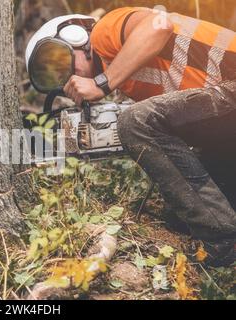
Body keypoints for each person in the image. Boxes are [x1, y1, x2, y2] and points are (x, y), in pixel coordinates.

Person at [25, 7, 236, 266]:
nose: (67, 81)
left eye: (61, 64)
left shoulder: (104, 32)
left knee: (135, 120)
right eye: (56, 78)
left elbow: (160, 25)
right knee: (178, 216)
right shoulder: (130, 81)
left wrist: (101, 83)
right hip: (226, 122)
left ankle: (223, 239)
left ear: (76, 37)